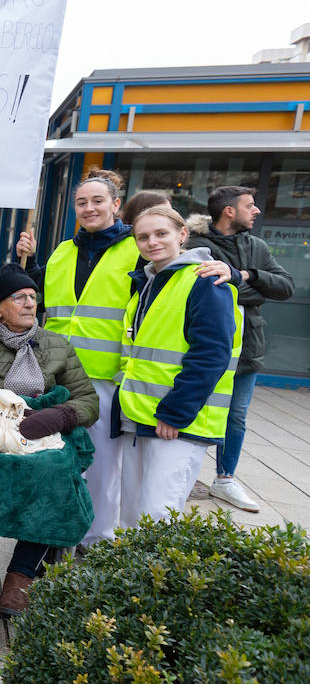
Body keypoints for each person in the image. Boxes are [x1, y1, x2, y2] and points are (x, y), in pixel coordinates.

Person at [16, 173, 232, 547]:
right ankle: (59, 529)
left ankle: (94, 539)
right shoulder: (63, 251)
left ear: (117, 205)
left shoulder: (138, 253)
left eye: (98, 200)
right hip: (59, 376)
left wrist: (236, 272)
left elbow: (202, 324)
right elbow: (51, 299)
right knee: (59, 459)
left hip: (110, 379)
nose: (90, 208)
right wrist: (30, 262)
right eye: (82, 202)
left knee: (103, 468)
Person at [0, 264, 98, 616]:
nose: (29, 304)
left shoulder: (57, 345)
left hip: (44, 431)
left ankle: (22, 576)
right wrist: (0, 419)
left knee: (55, 471)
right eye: (19, 297)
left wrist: (58, 415)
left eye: (32, 297)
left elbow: (87, 399)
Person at [115, 205, 240, 531]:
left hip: (177, 422)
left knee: (156, 517)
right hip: (143, 416)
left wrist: (175, 412)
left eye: (161, 234)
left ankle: (148, 583)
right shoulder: (150, 282)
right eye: (143, 237)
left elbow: (212, 355)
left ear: (182, 235)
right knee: (132, 516)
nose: (151, 242)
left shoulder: (204, 282)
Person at [187, 186, 293, 512]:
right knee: (193, 410)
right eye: (250, 205)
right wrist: (251, 287)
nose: (257, 210)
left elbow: (284, 286)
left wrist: (246, 275)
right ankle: (186, 474)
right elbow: (207, 290)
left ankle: (225, 479)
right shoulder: (197, 244)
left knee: (236, 417)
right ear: (229, 211)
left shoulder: (256, 246)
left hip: (247, 349)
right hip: (204, 347)